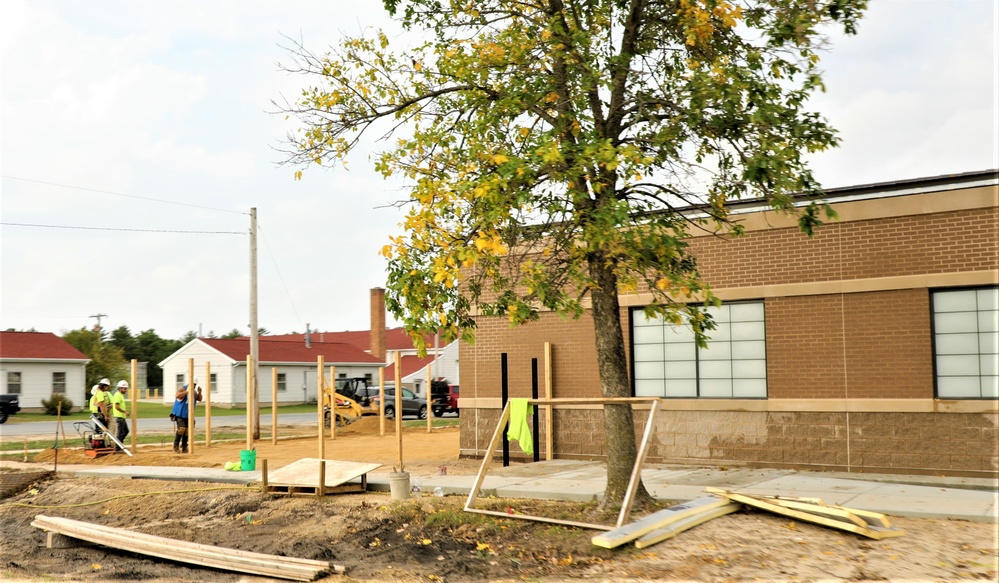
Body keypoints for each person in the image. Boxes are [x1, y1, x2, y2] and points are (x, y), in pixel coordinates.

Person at [171, 383, 202, 453]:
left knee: (188, 431)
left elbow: (199, 399)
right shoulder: (182, 388)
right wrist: (187, 392)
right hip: (180, 414)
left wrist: (199, 392)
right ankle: (176, 445)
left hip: (189, 415)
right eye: (193, 384)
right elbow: (177, 395)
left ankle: (184, 446)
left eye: (195, 384)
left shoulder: (194, 392)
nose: (194, 386)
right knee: (181, 429)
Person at [110, 380, 130, 449]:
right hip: (119, 417)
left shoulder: (120, 395)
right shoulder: (118, 395)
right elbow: (117, 406)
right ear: (120, 388)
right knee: (120, 433)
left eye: (126, 388)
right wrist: (124, 412)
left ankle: (119, 445)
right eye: (124, 388)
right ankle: (117, 447)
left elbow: (114, 404)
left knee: (125, 431)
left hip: (122, 417)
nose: (126, 390)